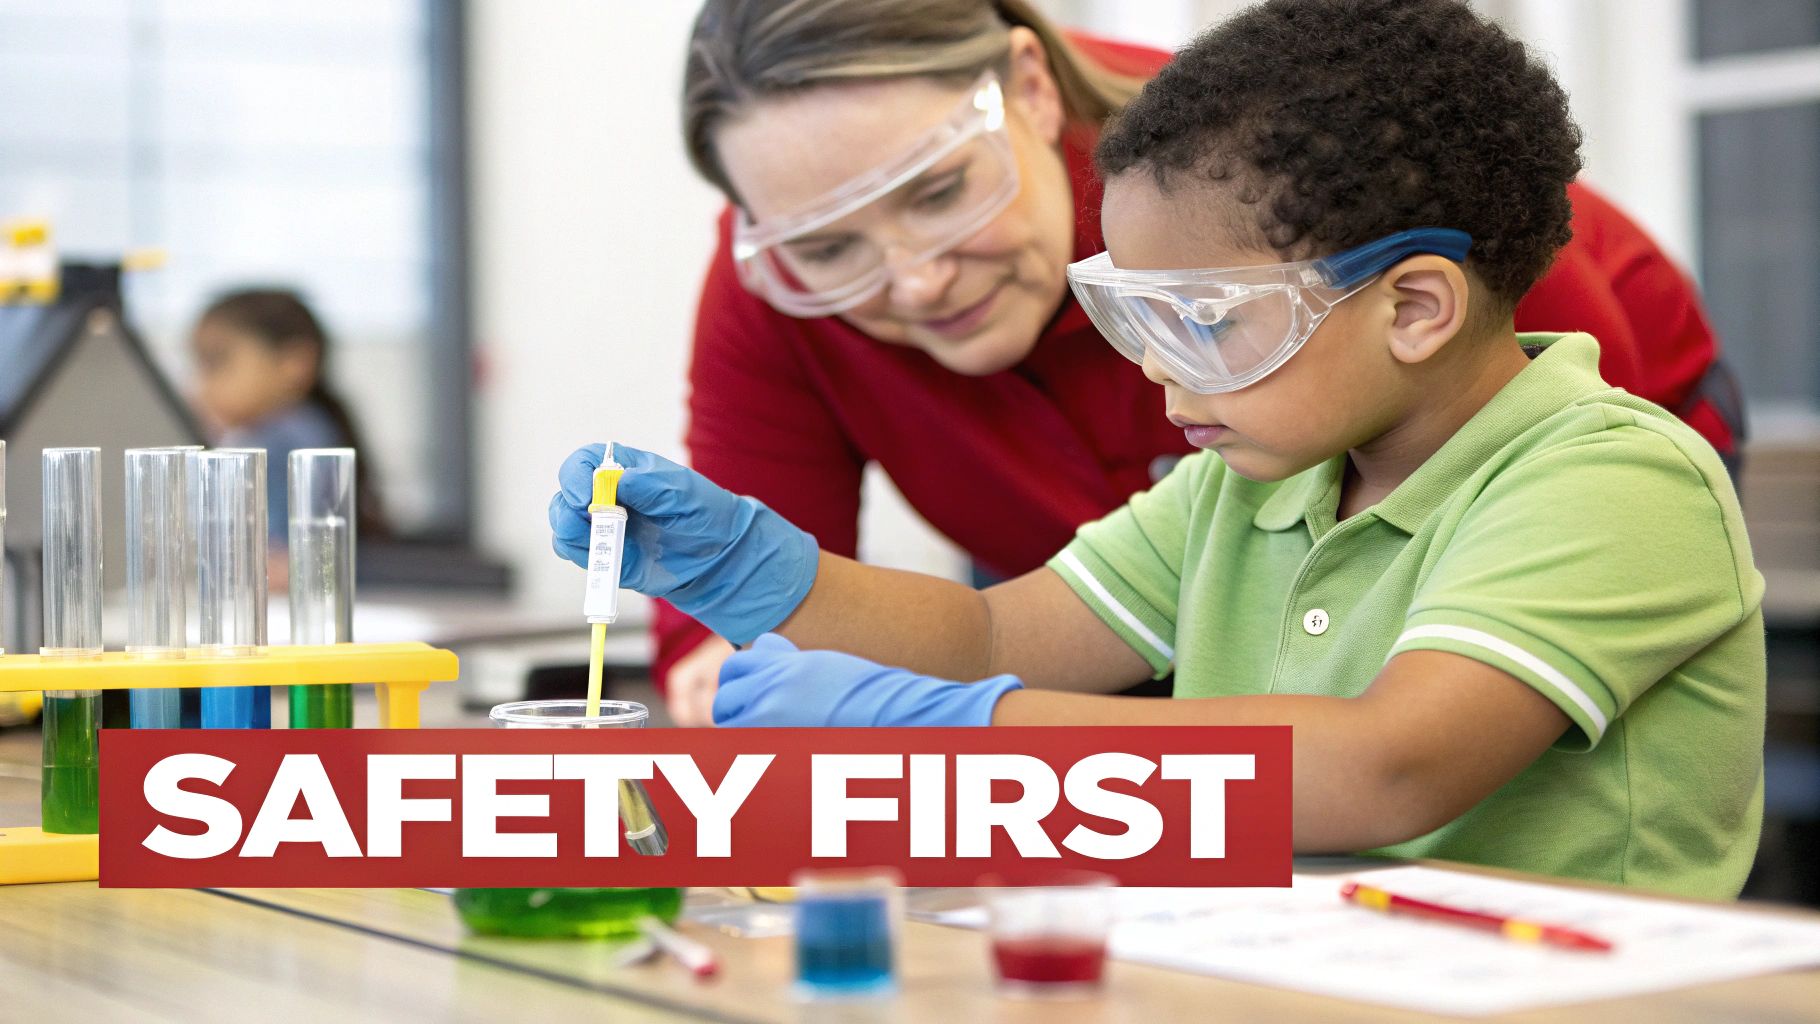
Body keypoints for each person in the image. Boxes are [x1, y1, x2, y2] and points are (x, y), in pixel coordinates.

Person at [557, 0, 1765, 898]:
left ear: (1411, 309)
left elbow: (1388, 769)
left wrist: (961, 730)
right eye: (1127, 315)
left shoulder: (1611, 480)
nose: (1148, 371)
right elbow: (989, 633)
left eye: (1193, 320)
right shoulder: (1241, 484)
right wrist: (766, 581)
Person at [190, 288, 386, 541]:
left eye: (217, 362)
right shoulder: (290, 432)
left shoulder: (290, 438)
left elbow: (277, 546)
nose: (202, 384)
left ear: (294, 363)